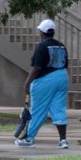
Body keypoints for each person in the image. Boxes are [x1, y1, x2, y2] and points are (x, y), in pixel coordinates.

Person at [15, 19, 69, 149]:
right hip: (62, 77)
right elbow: (65, 63)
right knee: (59, 108)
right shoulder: (61, 46)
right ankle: (63, 140)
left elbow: (37, 68)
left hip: (45, 79)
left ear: (43, 32)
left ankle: (29, 139)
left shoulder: (42, 46)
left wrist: (27, 83)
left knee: (38, 109)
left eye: (40, 31)